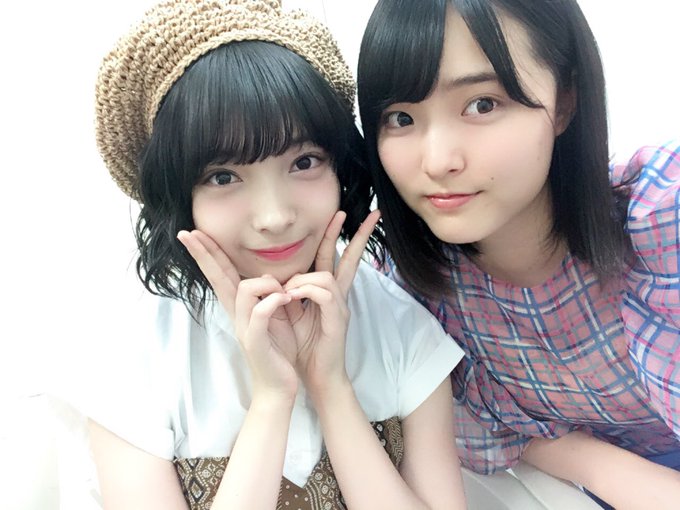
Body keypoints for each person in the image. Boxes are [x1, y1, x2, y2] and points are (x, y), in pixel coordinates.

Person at [86, 1, 467, 509]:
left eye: (304, 162)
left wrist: (331, 388)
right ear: (178, 196)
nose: (273, 216)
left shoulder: (404, 330)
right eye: (224, 176)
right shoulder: (133, 357)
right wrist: (271, 400)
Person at [356, 0, 680, 508]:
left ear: (565, 100)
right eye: (401, 118)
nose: (438, 161)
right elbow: (492, 435)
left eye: (482, 104)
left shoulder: (661, 217)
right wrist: (605, 469)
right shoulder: (416, 297)